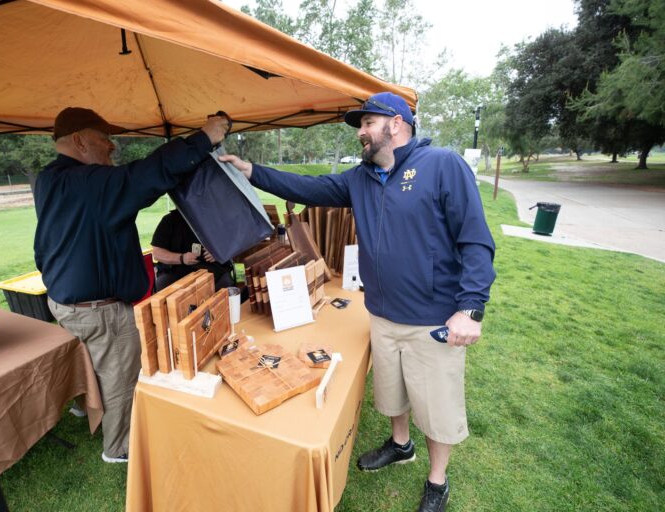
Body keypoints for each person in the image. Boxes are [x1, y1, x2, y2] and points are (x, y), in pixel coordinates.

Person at [220, 92, 496, 512]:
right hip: (382, 314)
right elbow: (306, 186)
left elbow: (475, 239)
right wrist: (252, 170)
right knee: (391, 393)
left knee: (437, 408)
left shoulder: (442, 165)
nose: (361, 133)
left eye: (367, 124)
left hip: (432, 318)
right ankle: (401, 444)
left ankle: (437, 481)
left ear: (396, 124)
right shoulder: (359, 179)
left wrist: (470, 308)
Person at [34, 107, 229, 463]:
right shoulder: (87, 183)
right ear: (79, 141)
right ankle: (120, 447)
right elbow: (146, 174)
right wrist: (205, 137)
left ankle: (86, 407)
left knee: (89, 362)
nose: (112, 146)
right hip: (99, 309)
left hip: (64, 301)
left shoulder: (49, 179)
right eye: (103, 138)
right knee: (122, 375)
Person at [150, 208, 234, 291]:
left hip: (212, 269)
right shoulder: (169, 220)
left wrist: (218, 252)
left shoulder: (215, 219)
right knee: (163, 284)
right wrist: (181, 258)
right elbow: (157, 252)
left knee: (225, 285)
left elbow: (234, 241)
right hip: (176, 270)